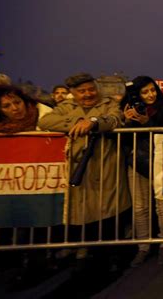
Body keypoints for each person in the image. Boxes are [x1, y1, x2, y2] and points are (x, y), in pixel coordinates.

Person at [38, 73, 131, 261]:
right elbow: (45, 121)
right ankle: (81, 247)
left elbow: (115, 119)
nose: (88, 94)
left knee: (107, 210)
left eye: (91, 89)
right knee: (79, 211)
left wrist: (94, 122)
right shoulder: (65, 107)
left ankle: (108, 252)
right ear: (73, 93)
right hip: (76, 168)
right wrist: (79, 123)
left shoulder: (108, 104)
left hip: (105, 165)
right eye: (82, 91)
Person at [120, 76, 163, 266]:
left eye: (152, 90)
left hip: (160, 160)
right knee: (140, 207)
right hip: (136, 161)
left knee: (162, 206)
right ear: (137, 94)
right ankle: (143, 247)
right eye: (144, 92)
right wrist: (124, 120)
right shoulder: (126, 108)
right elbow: (121, 136)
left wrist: (146, 122)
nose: (150, 94)